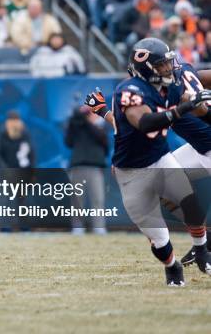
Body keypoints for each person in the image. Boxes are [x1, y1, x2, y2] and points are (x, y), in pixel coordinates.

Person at [86, 38, 211, 286]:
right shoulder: (138, 91)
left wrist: (197, 107)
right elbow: (139, 124)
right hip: (192, 149)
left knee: (185, 199)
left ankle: (203, 249)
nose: (170, 68)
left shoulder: (173, 83)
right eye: (163, 65)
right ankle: (186, 251)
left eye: (168, 63)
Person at [64, 105, 109, 235]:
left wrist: (85, 120)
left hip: (95, 168)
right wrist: (74, 121)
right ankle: (78, 227)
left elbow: (102, 139)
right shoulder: (77, 126)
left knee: (97, 199)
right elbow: (68, 142)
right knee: (77, 200)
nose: (89, 115)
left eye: (91, 113)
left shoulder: (100, 127)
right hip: (78, 167)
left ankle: (99, 227)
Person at [0, 111, 35, 231]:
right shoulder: (2, 134)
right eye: (12, 120)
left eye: (16, 120)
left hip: (23, 172)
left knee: (24, 201)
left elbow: (31, 154)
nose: (14, 123)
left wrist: (31, 171)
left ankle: (25, 227)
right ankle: (5, 228)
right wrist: (5, 168)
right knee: (6, 201)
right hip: (7, 173)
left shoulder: (25, 134)